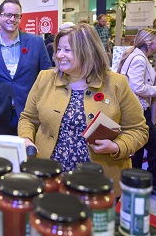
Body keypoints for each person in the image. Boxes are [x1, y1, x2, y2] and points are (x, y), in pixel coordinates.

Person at [18, 23, 148, 196]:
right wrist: (26, 139)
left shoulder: (116, 84)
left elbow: (138, 130)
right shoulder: (45, 78)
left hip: (97, 182)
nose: (59, 55)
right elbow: (27, 118)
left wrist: (117, 146)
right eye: (58, 49)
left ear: (87, 51)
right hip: (49, 178)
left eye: (67, 50)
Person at [0, 0, 51, 135]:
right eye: (8, 15)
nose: (12, 19)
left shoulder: (36, 43)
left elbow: (46, 77)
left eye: (16, 16)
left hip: (29, 113)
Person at [117, 28, 156, 199]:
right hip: (137, 111)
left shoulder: (135, 55)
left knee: (139, 148)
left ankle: (136, 184)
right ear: (149, 42)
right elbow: (137, 87)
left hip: (133, 110)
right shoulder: (139, 59)